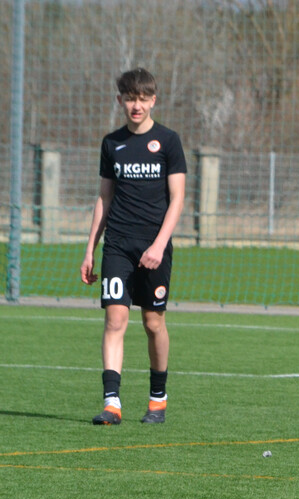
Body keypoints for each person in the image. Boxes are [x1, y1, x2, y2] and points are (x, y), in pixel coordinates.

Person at [80, 68, 186, 425]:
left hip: (153, 247)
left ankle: (158, 399)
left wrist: (159, 244)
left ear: (153, 100)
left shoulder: (168, 142)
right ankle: (112, 403)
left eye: (142, 99)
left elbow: (178, 199)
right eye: (129, 98)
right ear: (120, 100)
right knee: (114, 318)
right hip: (118, 246)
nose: (135, 105)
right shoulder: (112, 143)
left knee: (153, 323)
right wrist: (90, 248)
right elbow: (104, 198)